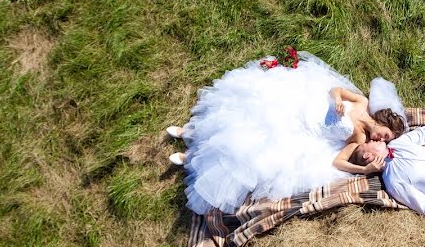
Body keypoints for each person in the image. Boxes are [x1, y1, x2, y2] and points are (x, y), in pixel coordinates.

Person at [166, 52, 406, 215]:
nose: (381, 139)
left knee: (252, 147)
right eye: (386, 135)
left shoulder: (359, 140)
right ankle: (192, 132)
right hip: (301, 105)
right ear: (384, 121)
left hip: (303, 132)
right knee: (247, 110)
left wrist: (364, 170)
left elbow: (338, 161)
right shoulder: (362, 102)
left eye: (386, 141)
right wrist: (336, 100)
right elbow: (336, 89)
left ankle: (191, 159)